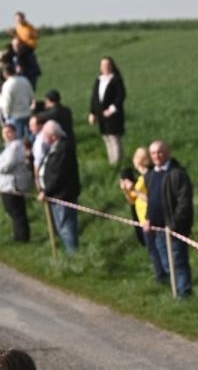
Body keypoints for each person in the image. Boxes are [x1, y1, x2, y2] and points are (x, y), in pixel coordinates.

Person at [143, 140, 193, 297]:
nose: (156, 156)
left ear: (167, 152)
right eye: (153, 153)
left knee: (178, 261)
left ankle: (184, 293)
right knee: (167, 264)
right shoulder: (150, 175)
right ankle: (175, 289)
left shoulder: (177, 174)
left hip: (174, 229)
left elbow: (184, 202)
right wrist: (147, 218)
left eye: (159, 152)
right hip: (157, 230)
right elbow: (151, 199)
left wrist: (174, 224)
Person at [37, 121, 81, 254]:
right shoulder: (56, 147)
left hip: (62, 195)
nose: (44, 139)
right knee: (62, 227)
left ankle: (74, 258)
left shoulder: (63, 149)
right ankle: (70, 255)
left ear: (53, 136)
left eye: (45, 136)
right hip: (56, 194)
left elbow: (57, 175)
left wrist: (46, 191)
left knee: (66, 228)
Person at [88, 56, 126, 166]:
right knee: (106, 137)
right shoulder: (98, 80)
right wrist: (92, 112)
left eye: (108, 65)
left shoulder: (116, 79)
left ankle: (117, 162)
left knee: (114, 138)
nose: (105, 67)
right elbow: (94, 97)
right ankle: (112, 162)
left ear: (112, 66)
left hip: (114, 115)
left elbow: (121, 96)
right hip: (101, 115)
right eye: (103, 65)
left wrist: (112, 109)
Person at [0, 121, 33, 241]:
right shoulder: (8, 147)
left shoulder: (15, 146)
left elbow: (8, 165)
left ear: (14, 132)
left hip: (13, 185)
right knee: (13, 211)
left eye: (9, 132)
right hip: (7, 185)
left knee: (16, 211)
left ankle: (23, 237)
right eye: (4, 133)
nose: (7, 135)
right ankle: (19, 235)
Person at [0, 64, 35, 142]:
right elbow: (31, 96)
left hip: (14, 116)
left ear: (4, 74)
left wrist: (6, 116)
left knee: (15, 141)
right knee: (28, 141)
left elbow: (6, 103)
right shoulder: (25, 80)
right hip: (26, 113)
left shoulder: (7, 85)